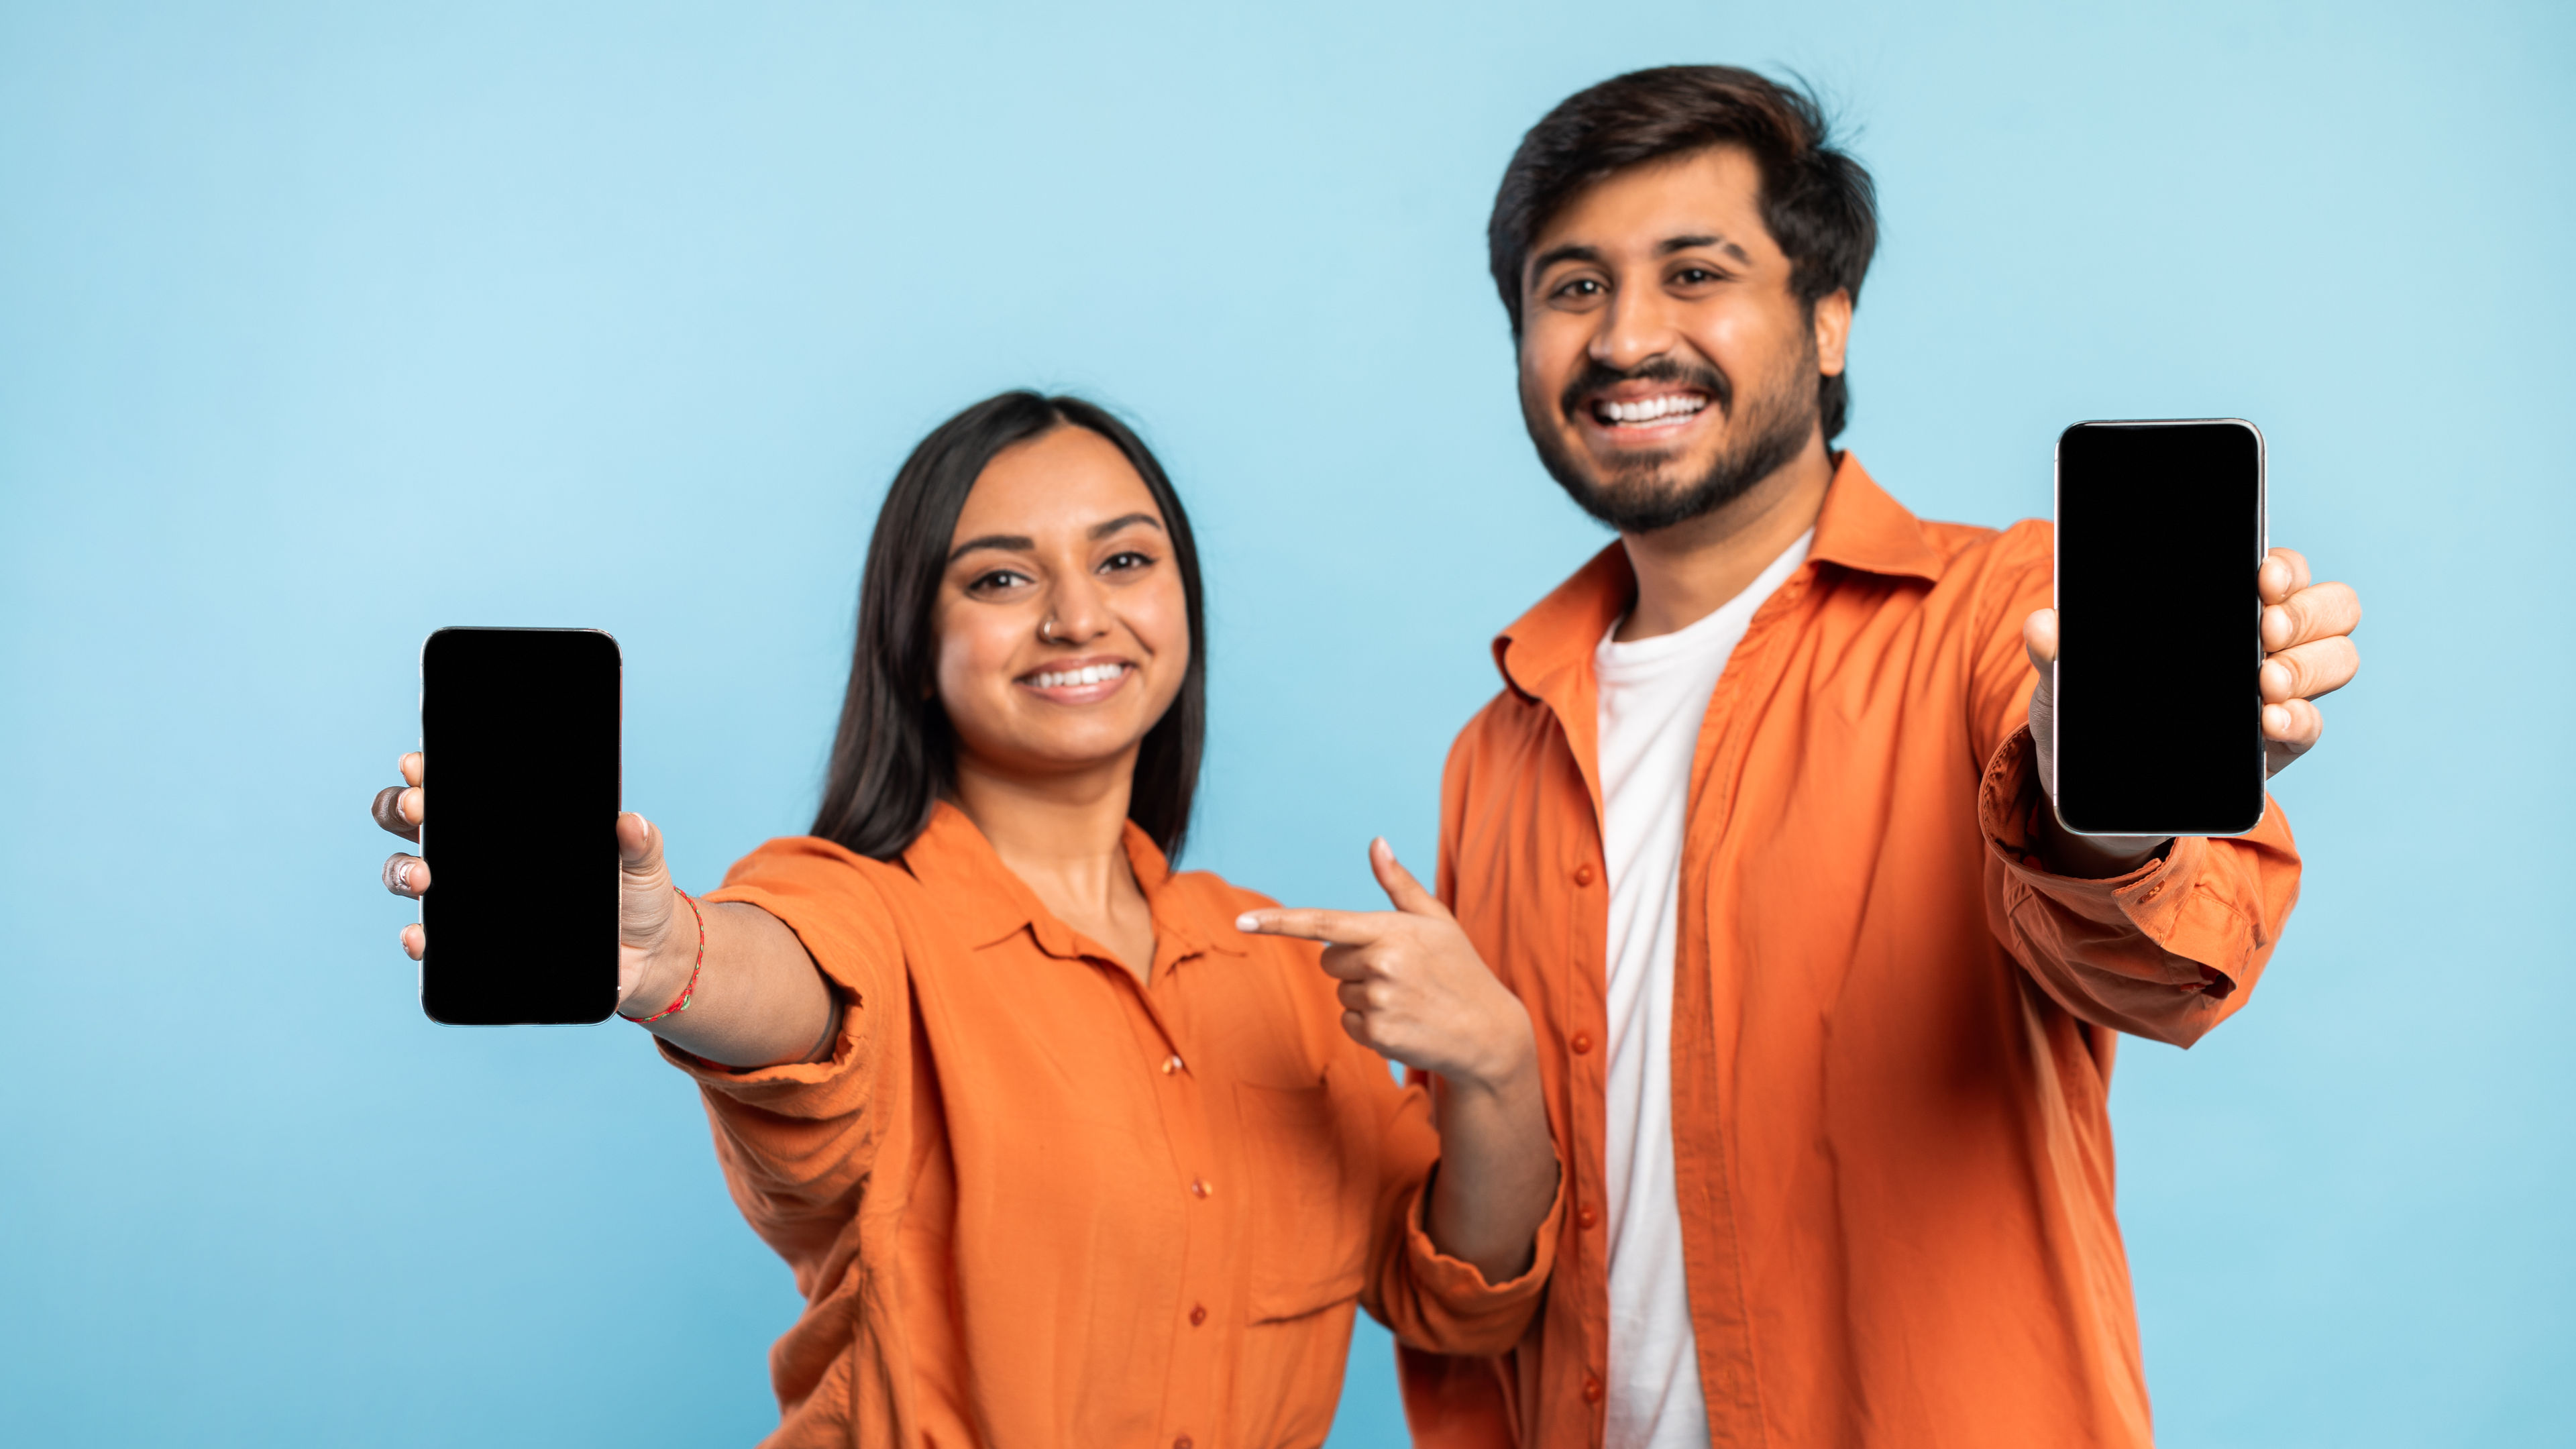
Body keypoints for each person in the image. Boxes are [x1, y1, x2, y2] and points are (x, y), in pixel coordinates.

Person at [1396, 68, 2363, 1448]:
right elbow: (1482, 1260)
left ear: (1829, 316)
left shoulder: (2005, 618)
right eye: (1571, 288)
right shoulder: (1495, 748)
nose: (1626, 338)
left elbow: (2159, 963)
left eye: (1694, 272)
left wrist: (2104, 799)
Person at [369, 392, 1562, 1448]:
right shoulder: (860, 906)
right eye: (1001, 577)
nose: (1077, 617)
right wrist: (672, 954)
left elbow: (1463, 1299)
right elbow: (794, 984)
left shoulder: (1281, 966)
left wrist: (1499, 1065)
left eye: (1127, 562)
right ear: (915, 637)